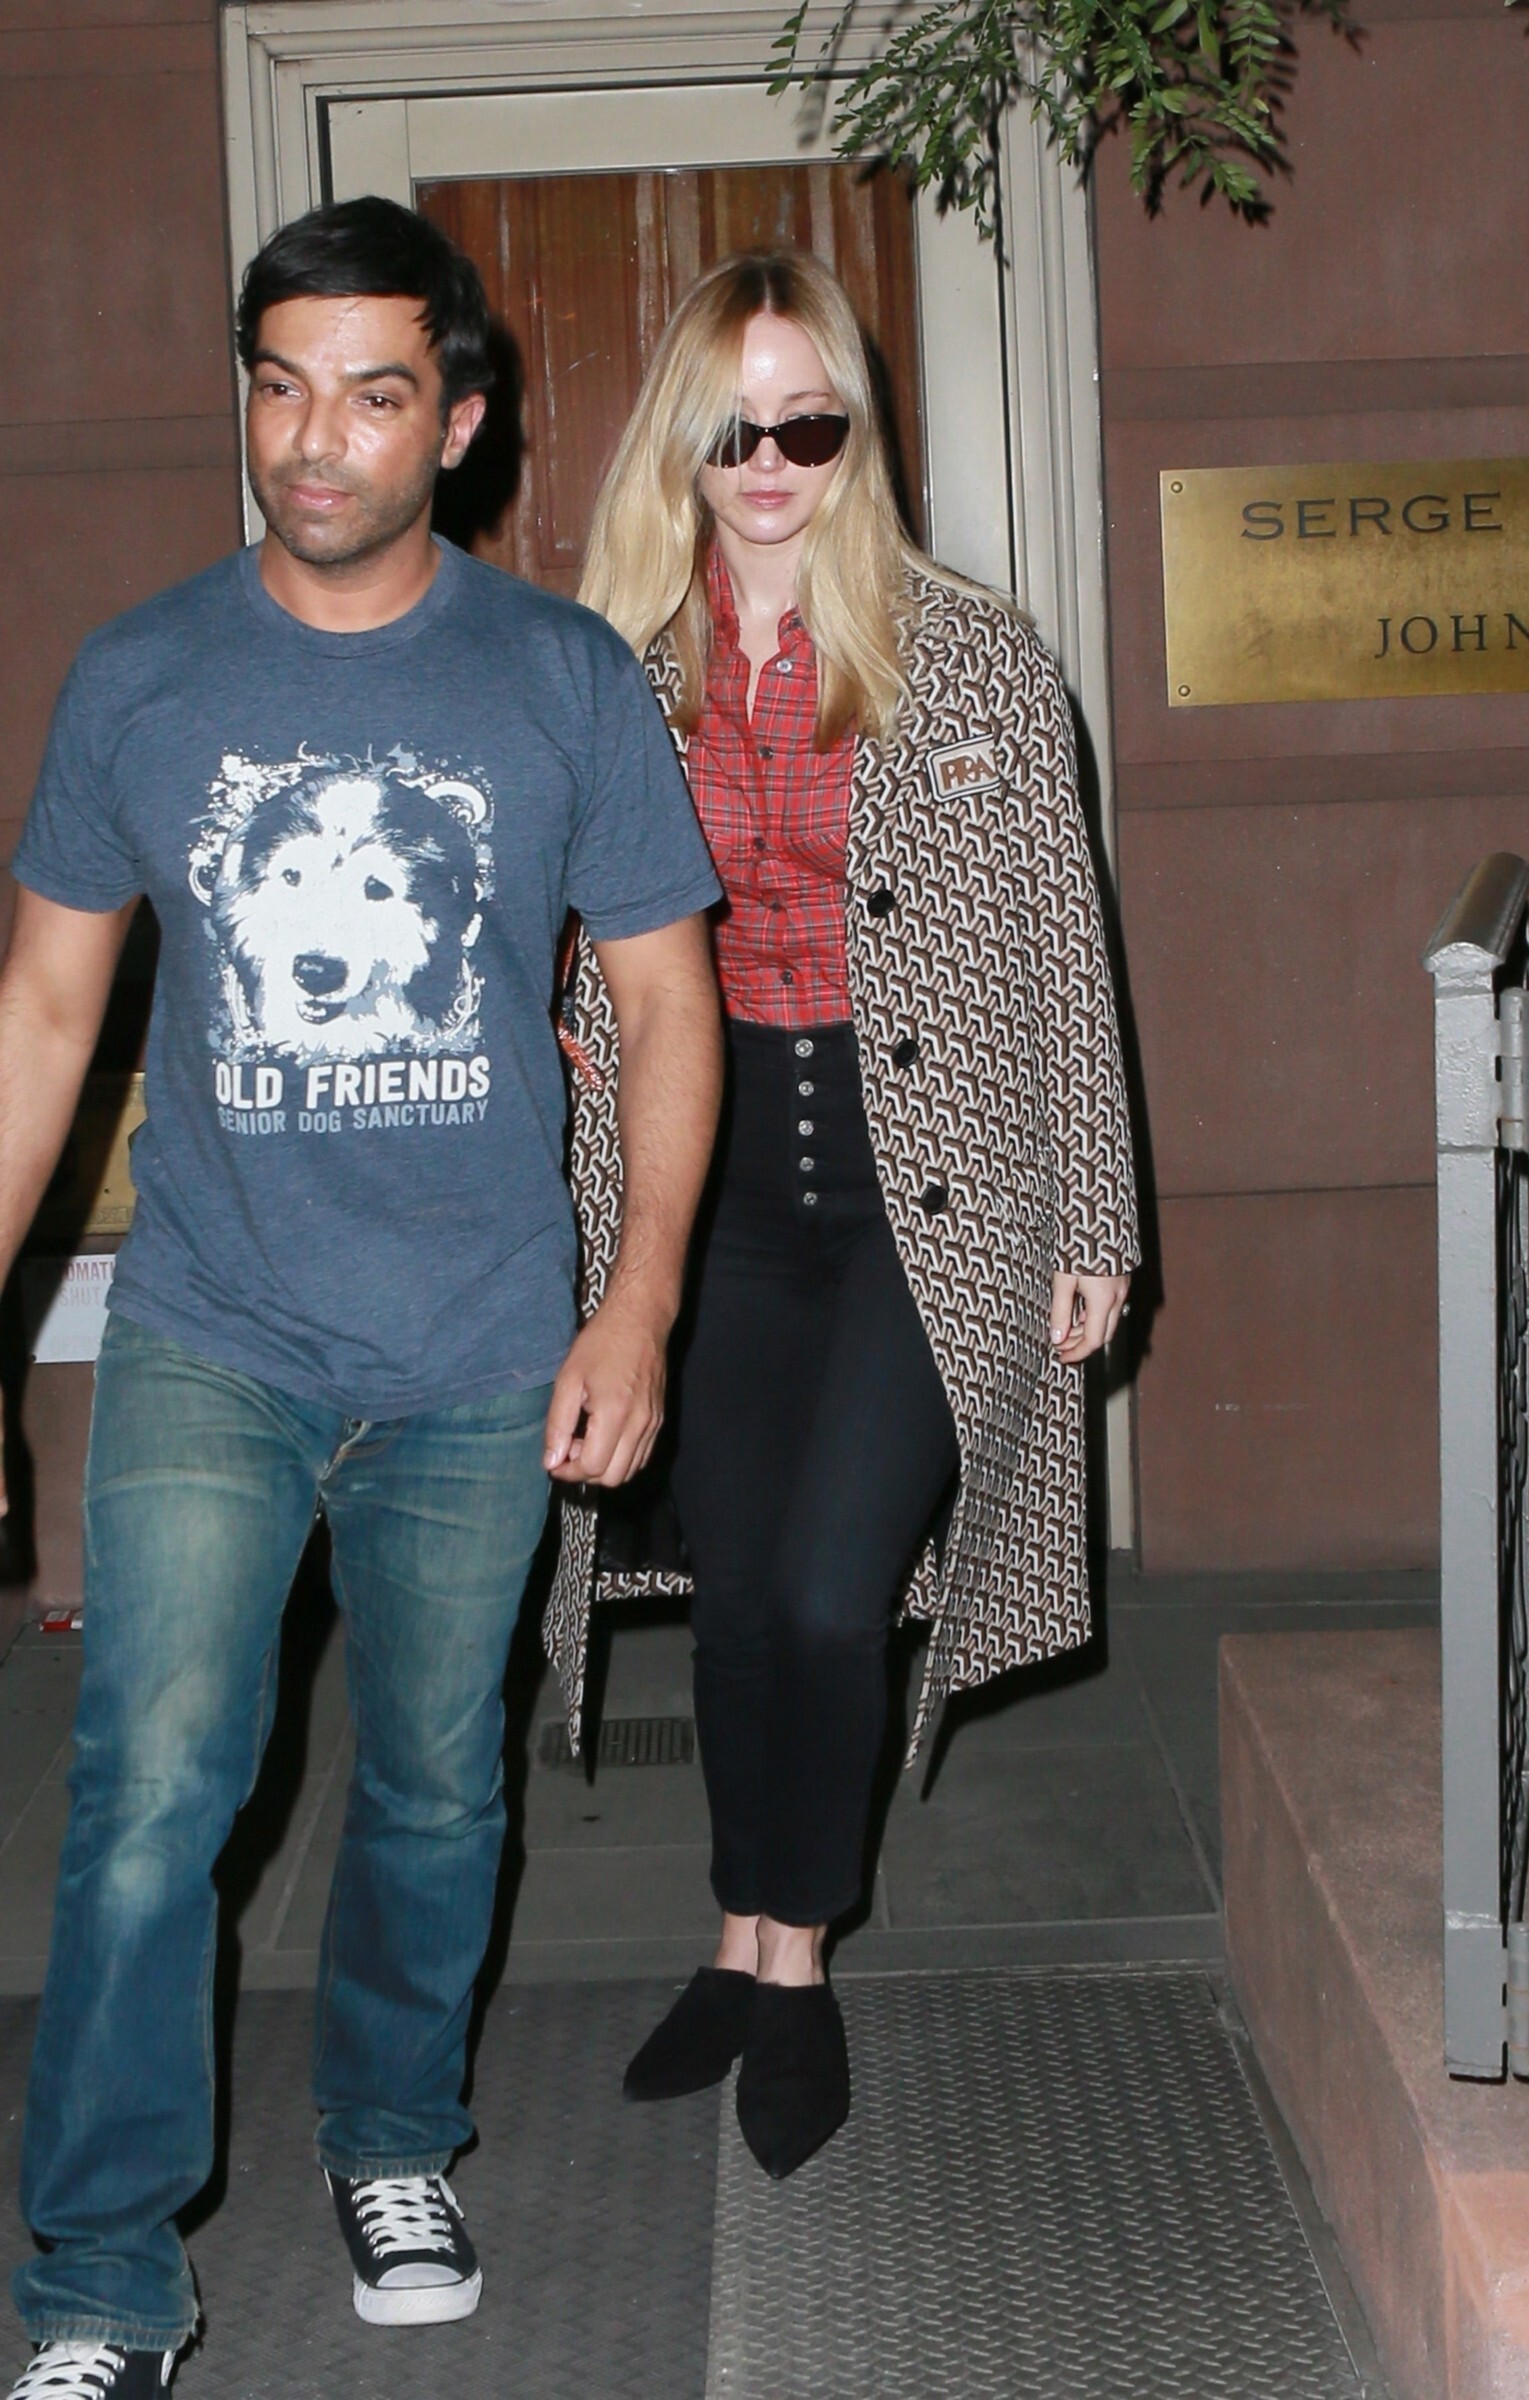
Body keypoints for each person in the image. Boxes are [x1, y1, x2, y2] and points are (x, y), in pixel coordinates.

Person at [1, 197, 722, 2400]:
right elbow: (44, 1013)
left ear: (458, 420)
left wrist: (635, 1311)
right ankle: (98, 2276)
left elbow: (667, 1005)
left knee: (430, 1786)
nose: (315, 440)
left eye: (372, 394)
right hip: (214, 1326)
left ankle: (394, 2138)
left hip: (481, 1344)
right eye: (280, 387)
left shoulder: (557, 679)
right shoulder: (138, 677)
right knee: (150, 1792)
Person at [553, 251, 1140, 2183]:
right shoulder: (610, 670)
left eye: (807, 424)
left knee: (827, 1592)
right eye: (733, 428)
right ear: (680, 443)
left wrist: (1097, 1212)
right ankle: (739, 1934)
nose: (770, 462)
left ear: (854, 435)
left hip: (930, 1191)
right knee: (735, 1595)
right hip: (706, 1178)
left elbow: (1067, 948)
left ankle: (795, 1964)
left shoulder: (975, 657)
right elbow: (542, 914)